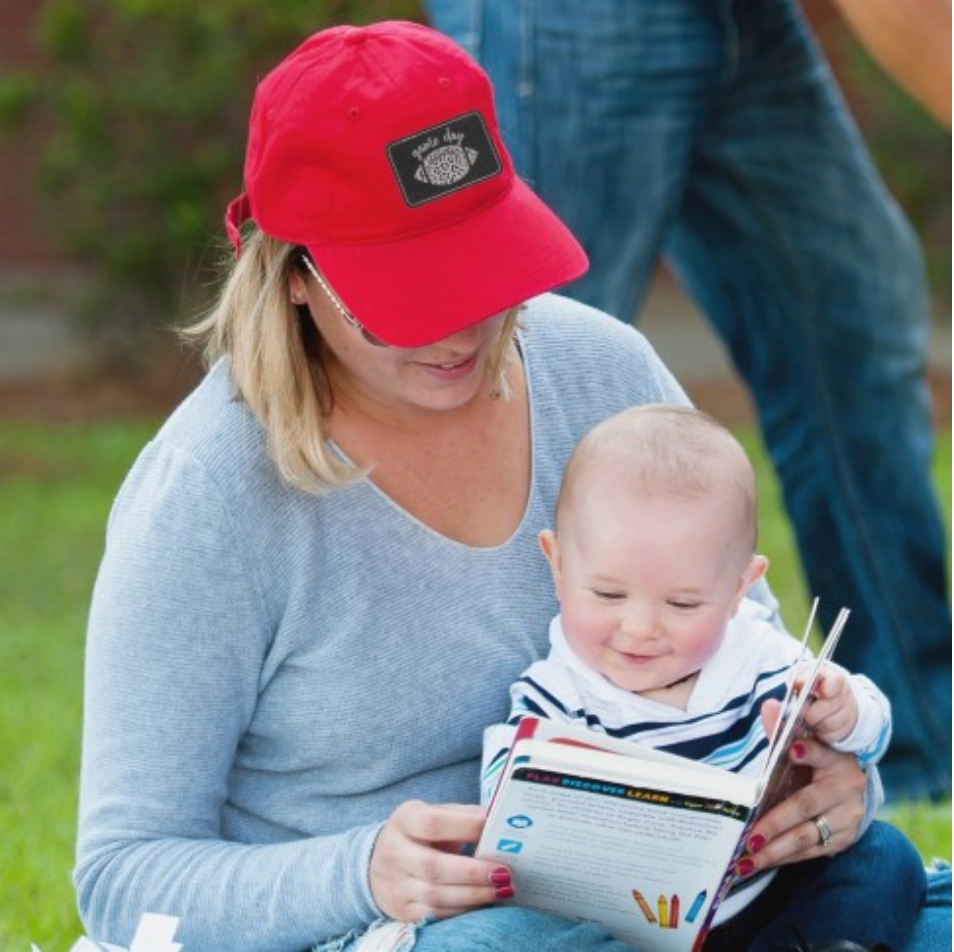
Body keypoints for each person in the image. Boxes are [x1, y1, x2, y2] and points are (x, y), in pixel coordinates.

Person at [74, 20, 948, 952]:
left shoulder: (599, 368)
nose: (462, 327)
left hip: (674, 895)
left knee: (903, 894)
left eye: (481, 268)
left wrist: (819, 784)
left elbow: (750, 649)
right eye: (412, 293)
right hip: (409, 930)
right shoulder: (207, 491)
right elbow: (123, 875)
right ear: (295, 275)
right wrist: (362, 869)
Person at [423, 0, 952, 803]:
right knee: (522, 350)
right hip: (577, 17)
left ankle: (905, 756)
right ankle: (509, 782)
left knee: (852, 325)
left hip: (748, 16)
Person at [483, 404, 924, 951]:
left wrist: (846, 712)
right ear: (557, 565)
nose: (640, 628)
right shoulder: (553, 695)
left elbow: (869, 727)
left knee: (888, 859)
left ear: (741, 587)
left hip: (762, 896)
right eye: (608, 594)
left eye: (683, 603)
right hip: (633, 929)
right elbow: (508, 815)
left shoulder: (755, 652)